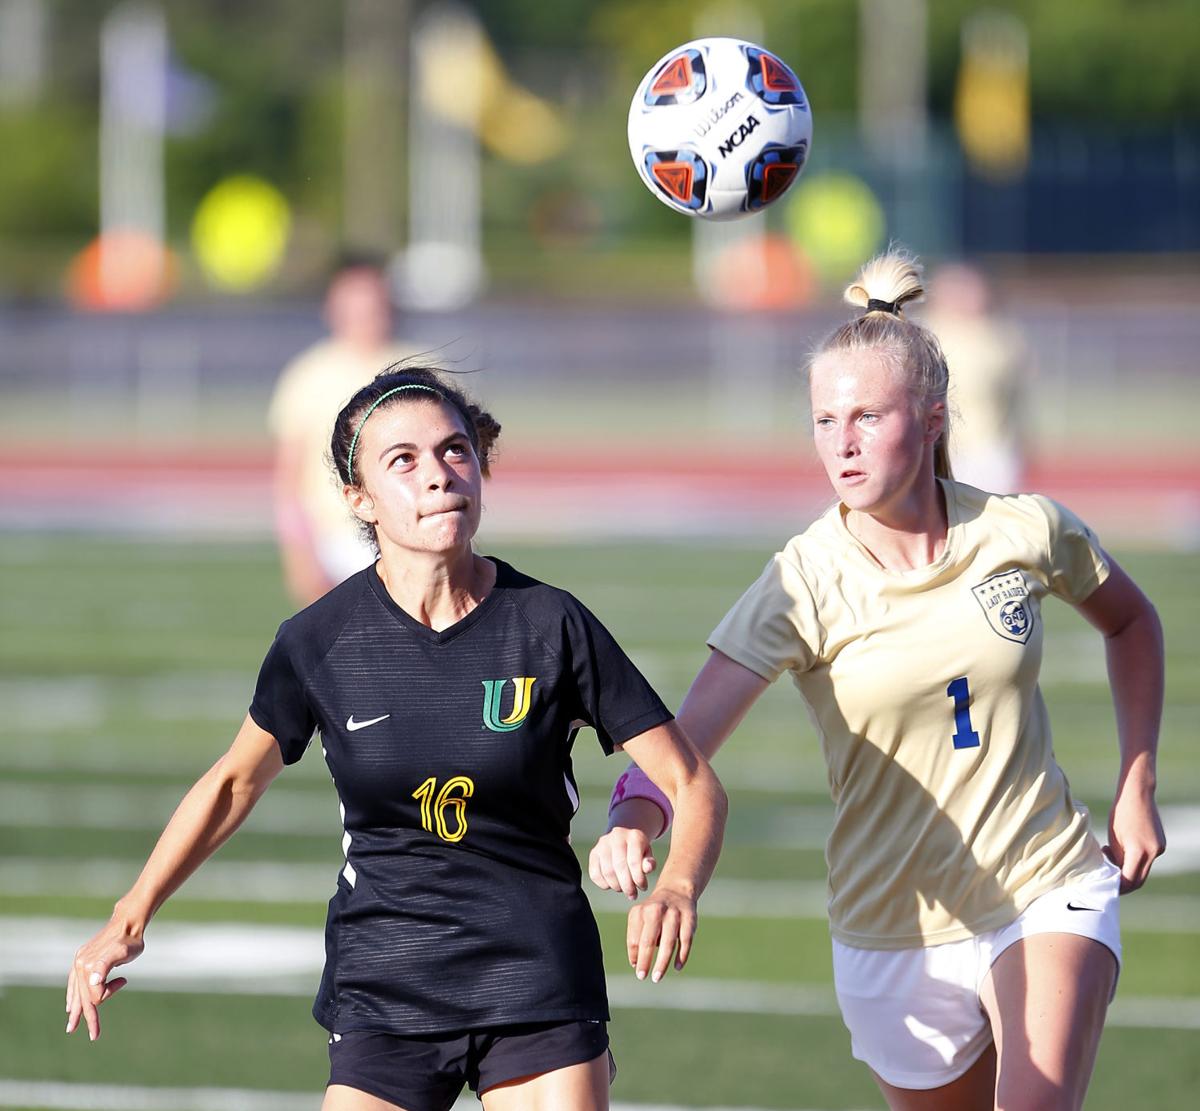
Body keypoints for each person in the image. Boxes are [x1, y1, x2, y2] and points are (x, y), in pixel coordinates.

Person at [590, 250, 1165, 1110]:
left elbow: (1132, 621)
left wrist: (1135, 784)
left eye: (866, 415)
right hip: (891, 927)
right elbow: (685, 739)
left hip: (1044, 880)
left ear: (932, 419)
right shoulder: (801, 579)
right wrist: (634, 819)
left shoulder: (1024, 529)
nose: (842, 441)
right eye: (825, 420)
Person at [67, 366, 728, 1111]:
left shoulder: (551, 625)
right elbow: (233, 782)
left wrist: (677, 883)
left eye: (454, 451)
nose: (439, 475)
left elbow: (692, 781)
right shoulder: (320, 638)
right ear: (359, 498)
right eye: (403, 461)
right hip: (384, 981)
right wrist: (127, 919)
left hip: (535, 976)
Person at [269, 253, 417, 605]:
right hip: (332, 539)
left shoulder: (420, 368)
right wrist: (299, 554)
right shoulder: (309, 374)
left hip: (407, 537)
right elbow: (288, 474)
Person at [922, 261, 1028, 494]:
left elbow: (1014, 397)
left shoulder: (1000, 338)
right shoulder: (926, 333)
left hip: (989, 449)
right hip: (942, 446)